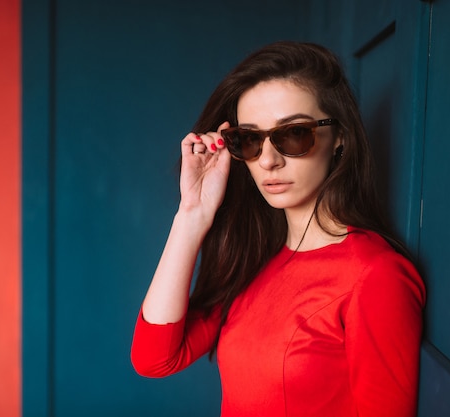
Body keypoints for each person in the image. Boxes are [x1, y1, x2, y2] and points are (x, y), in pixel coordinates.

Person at [130, 41, 425, 417]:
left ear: (340, 138)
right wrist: (193, 212)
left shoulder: (375, 276)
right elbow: (154, 359)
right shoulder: (254, 259)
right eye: (249, 139)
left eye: (293, 134)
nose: (268, 160)